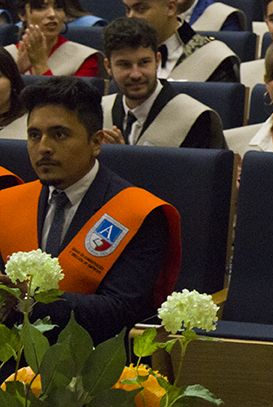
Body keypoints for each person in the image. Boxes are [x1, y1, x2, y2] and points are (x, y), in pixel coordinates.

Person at [0, 76, 182, 344]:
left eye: (59, 135)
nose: (44, 148)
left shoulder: (138, 214)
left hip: (93, 358)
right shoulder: (8, 202)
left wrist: (31, 300)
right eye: (34, 135)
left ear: (96, 142)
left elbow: (120, 311)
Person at [98, 17, 225, 149]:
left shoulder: (197, 120)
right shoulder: (97, 113)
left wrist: (120, 157)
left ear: (157, 60)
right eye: (124, 65)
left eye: (144, 62)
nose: (136, 74)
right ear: (108, 67)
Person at [118, 0, 239, 83]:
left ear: (170, 7)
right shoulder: (120, 54)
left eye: (140, 9)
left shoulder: (214, 58)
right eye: (128, 9)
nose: (131, 17)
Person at [5, 0, 102, 78]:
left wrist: (40, 65)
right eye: (41, 8)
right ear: (22, 14)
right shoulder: (6, 56)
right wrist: (17, 73)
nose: (52, 14)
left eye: (58, 8)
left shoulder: (84, 58)